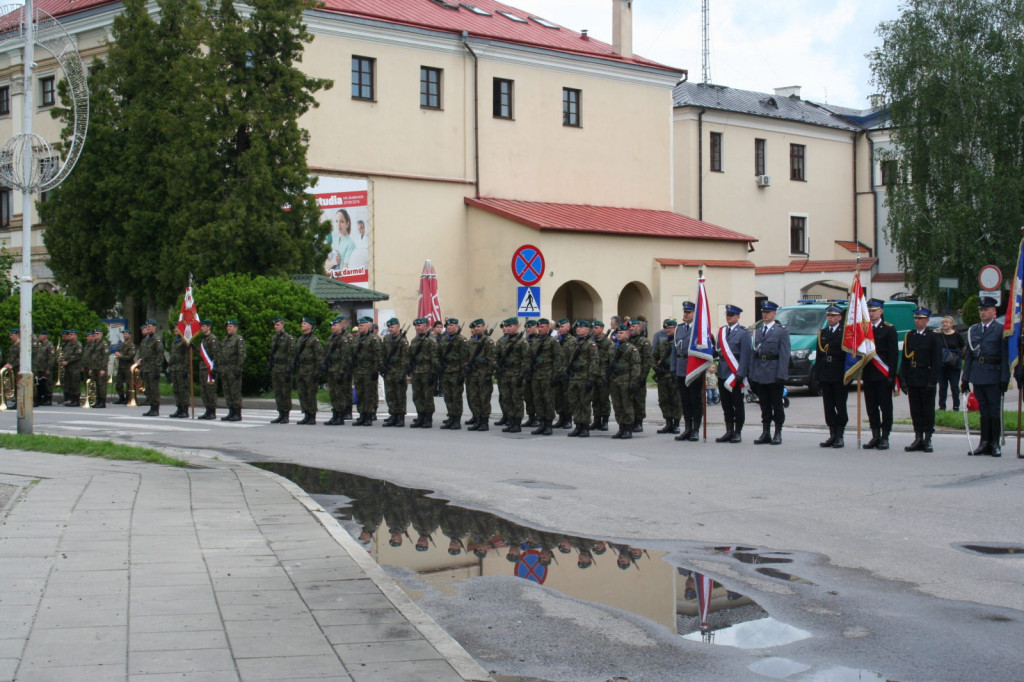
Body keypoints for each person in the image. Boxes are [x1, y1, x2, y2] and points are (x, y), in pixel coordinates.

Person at [961, 296, 1009, 457]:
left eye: (986, 310)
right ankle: (984, 442)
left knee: (993, 410)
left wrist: (1004, 378)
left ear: (994, 312)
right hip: (978, 374)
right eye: (981, 310)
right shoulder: (973, 330)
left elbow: (1004, 356)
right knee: (983, 410)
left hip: (993, 374)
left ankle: (994, 443)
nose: (983, 312)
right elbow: (969, 356)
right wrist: (965, 378)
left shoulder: (1000, 330)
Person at [749, 300, 791, 445]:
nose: (765, 315)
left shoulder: (781, 331)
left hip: (774, 373)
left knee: (776, 405)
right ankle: (765, 432)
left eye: (768, 312)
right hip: (760, 372)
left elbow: (785, 355)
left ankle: (778, 432)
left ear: (774, 313)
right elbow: (754, 354)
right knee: (764, 405)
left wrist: (781, 375)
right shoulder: (758, 331)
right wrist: (752, 374)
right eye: (763, 312)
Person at [901, 307, 942, 452]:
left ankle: (927, 438)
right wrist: (903, 379)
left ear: (927, 320)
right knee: (915, 409)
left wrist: (933, 380)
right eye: (916, 318)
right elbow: (905, 359)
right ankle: (918, 436)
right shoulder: (910, 335)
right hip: (913, 376)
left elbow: (937, 360)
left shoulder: (933, 336)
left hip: (926, 376)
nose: (917, 321)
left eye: (921, 319)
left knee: (927, 409)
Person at [863, 299, 897, 450]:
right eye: (869, 311)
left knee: (885, 407)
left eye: (874, 310)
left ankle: (885, 436)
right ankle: (875, 435)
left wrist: (892, 375)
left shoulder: (889, 329)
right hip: (869, 374)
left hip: (883, 374)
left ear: (881, 311)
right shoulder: (864, 329)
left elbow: (893, 354)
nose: (871, 313)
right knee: (871, 407)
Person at [715, 304, 751, 443]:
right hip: (723, 372)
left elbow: (745, 355)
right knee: (726, 405)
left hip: (735, 374)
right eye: (727, 315)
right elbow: (718, 351)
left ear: (738, 317)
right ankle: (729, 430)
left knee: (737, 404)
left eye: (732, 315)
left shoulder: (743, 333)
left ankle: (738, 431)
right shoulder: (722, 332)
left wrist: (741, 373)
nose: (729, 317)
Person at [816, 304, 848, 448]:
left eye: (833, 316)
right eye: (828, 315)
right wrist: (818, 375)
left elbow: (848, 356)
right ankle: (832, 434)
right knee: (828, 406)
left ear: (840, 317)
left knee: (840, 405)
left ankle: (840, 434)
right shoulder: (822, 333)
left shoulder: (845, 333)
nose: (830, 318)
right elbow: (819, 356)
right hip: (825, 374)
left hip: (839, 374)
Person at [671, 301, 703, 442]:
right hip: (681, 367)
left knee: (695, 400)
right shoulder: (679, 329)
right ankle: (688, 428)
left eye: (689, 312)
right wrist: (673, 368)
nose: (686, 314)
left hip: (694, 368)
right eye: (685, 312)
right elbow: (674, 350)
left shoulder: (699, 329)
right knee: (684, 400)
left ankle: (696, 429)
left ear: (694, 314)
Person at [566, 320, 599, 438]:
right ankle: (578, 425)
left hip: (584, 377)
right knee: (574, 402)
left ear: (588, 329)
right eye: (577, 327)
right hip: (574, 377)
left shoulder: (591, 344)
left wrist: (591, 378)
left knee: (584, 403)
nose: (578, 329)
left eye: (581, 327)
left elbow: (594, 362)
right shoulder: (574, 343)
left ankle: (585, 426)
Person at [494, 318, 527, 432]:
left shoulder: (522, 342)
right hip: (504, 375)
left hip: (516, 374)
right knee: (506, 399)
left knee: (516, 399)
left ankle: (517, 423)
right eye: (506, 326)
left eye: (511, 326)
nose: (508, 328)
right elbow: (495, 356)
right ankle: (510, 420)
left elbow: (526, 360)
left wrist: (521, 376)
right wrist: (497, 365)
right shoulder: (501, 341)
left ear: (517, 327)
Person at [608, 323, 640, 439]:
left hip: (625, 380)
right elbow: (607, 363)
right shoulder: (612, 347)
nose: (619, 335)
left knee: (627, 405)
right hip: (614, 380)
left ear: (627, 334)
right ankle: (621, 427)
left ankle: (628, 428)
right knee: (617, 405)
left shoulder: (631, 349)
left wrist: (633, 382)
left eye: (621, 333)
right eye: (618, 333)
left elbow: (636, 367)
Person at [528, 318, 558, 435]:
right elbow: (528, 356)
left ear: (548, 328)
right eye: (539, 327)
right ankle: (541, 423)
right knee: (538, 400)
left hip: (548, 374)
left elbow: (558, 358)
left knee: (548, 400)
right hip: (536, 374)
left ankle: (548, 424)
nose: (540, 329)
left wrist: (555, 375)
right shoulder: (535, 341)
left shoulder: (552, 341)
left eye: (543, 327)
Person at [321, 316, 353, 425]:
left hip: (339, 370)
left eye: (335, 325)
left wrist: (342, 372)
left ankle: (340, 415)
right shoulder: (331, 338)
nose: (333, 327)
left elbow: (345, 357)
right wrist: (324, 364)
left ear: (341, 326)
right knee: (333, 393)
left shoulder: (343, 339)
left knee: (340, 393)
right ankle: (335, 414)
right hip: (331, 370)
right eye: (332, 326)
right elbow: (326, 353)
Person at [464, 319, 495, 431]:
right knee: (474, 397)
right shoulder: (471, 341)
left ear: (483, 327)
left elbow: (492, 359)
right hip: (472, 374)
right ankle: (477, 419)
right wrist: (466, 365)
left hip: (483, 373)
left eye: (478, 326)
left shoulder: (488, 341)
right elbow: (466, 357)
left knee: (484, 398)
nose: (476, 328)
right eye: (475, 327)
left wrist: (489, 373)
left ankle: (484, 422)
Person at [407, 317, 437, 428]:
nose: (417, 327)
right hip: (416, 371)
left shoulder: (431, 339)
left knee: (427, 396)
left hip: (427, 371)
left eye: (419, 325)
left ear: (426, 326)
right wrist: (409, 365)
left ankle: (428, 419)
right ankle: (420, 416)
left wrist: (433, 374)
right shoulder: (414, 340)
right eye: (416, 326)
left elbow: (434, 357)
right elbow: (410, 354)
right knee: (417, 395)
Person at [351, 316, 382, 425]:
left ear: (368, 326)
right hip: (358, 370)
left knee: (369, 394)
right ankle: (362, 415)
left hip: (369, 370)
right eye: (359, 325)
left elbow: (378, 355)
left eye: (362, 325)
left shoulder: (373, 339)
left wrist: (376, 370)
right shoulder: (357, 339)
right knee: (360, 393)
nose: (360, 328)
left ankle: (369, 416)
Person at [438, 318, 468, 430]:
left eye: (452, 325)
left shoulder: (461, 340)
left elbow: (465, 358)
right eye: (448, 325)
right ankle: (450, 417)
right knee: (448, 397)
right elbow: (438, 353)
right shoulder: (444, 339)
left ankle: (456, 420)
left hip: (456, 372)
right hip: (445, 371)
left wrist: (462, 373)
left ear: (457, 326)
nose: (449, 327)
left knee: (456, 397)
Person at [652, 320, 681, 434]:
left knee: (676, 400)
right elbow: (653, 357)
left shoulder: (679, 343)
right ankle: (668, 423)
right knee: (663, 400)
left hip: (674, 376)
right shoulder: (662, 343)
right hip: (663, 376)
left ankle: (676, 424)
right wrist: (655, 367)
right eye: (666, 328)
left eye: (671, 328)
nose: (668, 330)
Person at [293, 316, 324, 425]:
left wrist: (317, 373)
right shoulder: (301, 339)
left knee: (311, 394)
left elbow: (319, 357)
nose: (302, 325)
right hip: (301, 370)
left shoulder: (314, 340)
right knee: (302, 393)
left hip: (311, 371)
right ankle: (306, 414)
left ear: (310, 326)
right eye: (302, 323)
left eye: (305, 323)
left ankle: (312, 415)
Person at [380, 318, 409, 427]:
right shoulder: (387, 339)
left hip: (398, 371)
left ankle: (400, 418)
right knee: (390, 395)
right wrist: (382, 365)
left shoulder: (403, 341)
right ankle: (393, 415)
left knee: (400, 395)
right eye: (389, 327)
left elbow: (405, 358)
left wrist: (403, 374)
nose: (390, 329)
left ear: (398, 327)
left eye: (392, 327)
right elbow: (382, 353)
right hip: (389, 371)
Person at [268, 317, 295, 424]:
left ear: (283, 325)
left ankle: (286, 415)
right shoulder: (274, 338)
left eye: (278, 325)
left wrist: (289, 369)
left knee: (285, 392)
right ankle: (280, 413)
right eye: (275, 325)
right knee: (278, 392)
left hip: (284, 369)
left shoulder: (289, 338)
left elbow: (291, 354)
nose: (276, 326)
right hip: (276, 369)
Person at [218, 319, 246, 421]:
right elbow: (222, 355)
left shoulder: (239, 339)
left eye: (231, 326)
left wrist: (238, 368)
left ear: (235, 328)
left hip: (234, 370)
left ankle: (237, 413)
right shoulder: (225, 339)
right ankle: (231, 411)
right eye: (228, 326)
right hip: (225, 370)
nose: (228, 328)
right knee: (227, 391)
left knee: (235, 392)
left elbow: (241, 354)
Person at [937, 316, 966, 411]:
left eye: (947, 322)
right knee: (942, 386)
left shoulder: (957, 335)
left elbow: (963, 348)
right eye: (943, 323)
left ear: (952, 324)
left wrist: (959, 356)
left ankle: (956, 406)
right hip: (942, 365)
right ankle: (942, 406)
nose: (945, 324)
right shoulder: (939, 336)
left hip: (954, 364)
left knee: (954, 386)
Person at [589, 320, 612, 432]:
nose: (594, 330)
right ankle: (596, 420)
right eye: (593, 328)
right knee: (595, 399)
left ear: (602, 329)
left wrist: (606, 374)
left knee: (604, 399)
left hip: (603, 374)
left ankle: (605, 421)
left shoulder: (607, 343)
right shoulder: (590, 341)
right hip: (593, 374)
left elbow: (610, 360)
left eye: (596, 328)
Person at [629, 318, 652, 433]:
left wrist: (643, 376)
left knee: (639, 400)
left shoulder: (644, 342)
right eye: (631, 327)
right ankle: (630, 421)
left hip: (639, 375)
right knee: (629, 399)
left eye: (634, 326)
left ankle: (639, 422)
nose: (632, 328)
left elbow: (647, 361)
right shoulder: (627, 341)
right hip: (629, 375)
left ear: (640, 328)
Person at [137, 321, 163, 416]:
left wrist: (157, 368)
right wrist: (139, 361)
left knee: (154, 389)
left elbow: (159, 354)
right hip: (146, 368)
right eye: (147, 326)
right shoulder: (145, 340)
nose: (148, 328)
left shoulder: (157, 340)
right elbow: (142, 353)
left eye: (150, 326)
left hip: (153, 367)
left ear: (154, 327)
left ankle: (155, 408)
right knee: (148, 388)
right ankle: (151, 406)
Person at [552, 318, 573, 429]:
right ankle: (561, 417)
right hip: (556, 373)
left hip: (566, 374)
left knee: (567, 397)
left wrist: (567, 371)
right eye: (558, 327)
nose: (560, 329)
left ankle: (568, 419)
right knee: (557, 397)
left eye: (562, 327)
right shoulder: (555, 340)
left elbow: (572, 359)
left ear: (568, 327)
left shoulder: (572, 341)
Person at [196, 320, 219, 420]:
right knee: (204, 391)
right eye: (201, 326)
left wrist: (215, 368)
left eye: (204, 326)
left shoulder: (212, 339)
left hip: (210, 369)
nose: (202, 328)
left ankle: (212, 411)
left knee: (210, 391)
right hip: (203, 368)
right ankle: (207, 410)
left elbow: (216, 355)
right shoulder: (203, 340)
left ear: (209, 327)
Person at [167, 326, 190, 417]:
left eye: (177, 328)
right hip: (174, 369)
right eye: (174, 328)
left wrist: (186, 369)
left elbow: (187, 356)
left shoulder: (185, 341)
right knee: (176, 390)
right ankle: (179, 408)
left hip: (182, 369)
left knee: (183, 390)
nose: (175, 330)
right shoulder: (175, 341)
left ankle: (185, 409)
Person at [522, 319, 540, 427]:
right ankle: (531, 417)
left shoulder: (539, 340)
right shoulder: (525, 340)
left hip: (537, 372)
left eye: (530, 327)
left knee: (536, 396)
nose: (528, 329)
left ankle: (539, 418)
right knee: (527, 396)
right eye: (527, 327)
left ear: (536, 327)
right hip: (526, 372)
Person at [112, 329, 135, 405]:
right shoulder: (122, 344)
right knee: (118, 384)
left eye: (126, 334)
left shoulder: (131, 345)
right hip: (121, 366)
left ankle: (128, 398)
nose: (125, 336)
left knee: (128, 384)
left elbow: (130, 357)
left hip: (128, 366)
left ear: (130, 335)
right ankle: (121, 397)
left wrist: (121, 356)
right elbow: (119, 352)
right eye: (124, 334)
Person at [33, 330, 55, 406]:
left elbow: (51, 358)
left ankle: (48, 398)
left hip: (45, 368)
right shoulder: (40, 345)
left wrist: (49, 368)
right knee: (40, 384)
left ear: (45, 336)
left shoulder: (49, 345)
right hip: (39, 367)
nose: (39, 336)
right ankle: (41, 398)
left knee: (48, 384)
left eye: (41, 335)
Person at [3, 329, 18, 408]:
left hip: (18, 368)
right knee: (14, 385)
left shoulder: (20, 345)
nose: (10, 337)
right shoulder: (13, 346)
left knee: (18, 385)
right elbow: (10, 357)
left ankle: (19, 402)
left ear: (17, 335)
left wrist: (13, 365)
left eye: (12, 335)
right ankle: (17, 402)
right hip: (12, 368)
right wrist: (8, 364)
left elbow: (20, 357)